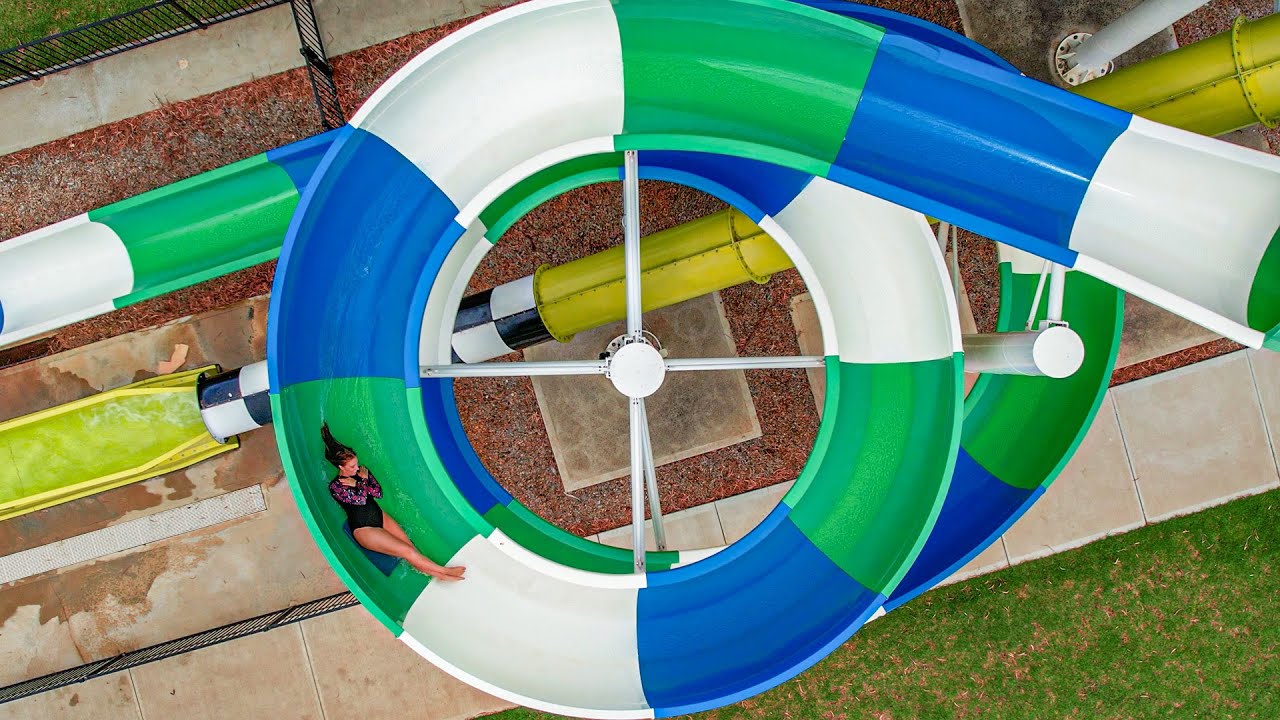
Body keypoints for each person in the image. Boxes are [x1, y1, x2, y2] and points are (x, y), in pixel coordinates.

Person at [321, 424, 466, 582]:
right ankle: (444, 572)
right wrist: (362, 481)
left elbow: (378, 493)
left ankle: (436, 574)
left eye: (356, 464)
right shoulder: (335, 487)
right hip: (364, 529)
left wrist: (360, 482)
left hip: (379, 516)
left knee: (410, 548)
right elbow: (360, 500)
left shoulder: (360, 473)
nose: (357, 468)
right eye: (352, 466)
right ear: (340, 467)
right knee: (407, 552)